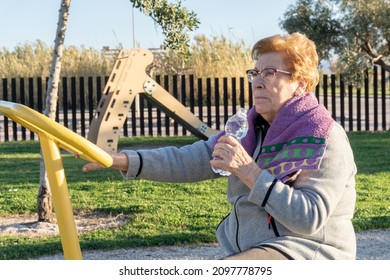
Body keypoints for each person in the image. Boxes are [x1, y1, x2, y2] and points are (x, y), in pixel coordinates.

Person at [83, 32, 357, 260]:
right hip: (253, 248)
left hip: (310, 252)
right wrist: (121, 160)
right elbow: (189, 160)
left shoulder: (322, 136)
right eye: (255, 72)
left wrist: (249, 171)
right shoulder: (249, 129)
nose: (258, 81)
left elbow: (308, 217)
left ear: (301, 83)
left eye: (271, 73)